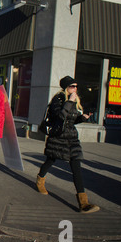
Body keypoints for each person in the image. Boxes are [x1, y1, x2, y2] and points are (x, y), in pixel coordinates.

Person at [36, 76, 100, 213]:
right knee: (50, 160)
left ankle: (83, 203)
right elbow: (59, 117)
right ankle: (40, 180)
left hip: (72, 139)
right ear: (65, 87)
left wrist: (82, 118)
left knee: (76, 167)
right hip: (58, 137)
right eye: (72, 86)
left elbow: (71, 121)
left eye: (76, 86)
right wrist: (69, 102)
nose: (75, 89)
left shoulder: (74, 100)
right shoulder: (58, 99)